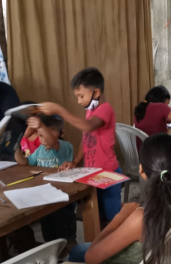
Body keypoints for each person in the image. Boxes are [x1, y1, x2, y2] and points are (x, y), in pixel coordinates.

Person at [68, 133, 171, 264]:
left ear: (141, 169)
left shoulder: (141, 218)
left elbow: (91, 258)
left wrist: (121, 216)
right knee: (76, 251)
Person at [38, 68, 123, 222]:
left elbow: (88, 126)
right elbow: (86, 141)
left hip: (108, 173)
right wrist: (75, 162)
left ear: (96, 93)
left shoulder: (105, 109)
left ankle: (121, 244)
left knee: (113, 220)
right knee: (97, 218)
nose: (79, 101)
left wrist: (60, 110)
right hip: (93, 174)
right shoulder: (90, 111)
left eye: (81, 96)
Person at [13, 115, 76, 255]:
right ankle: (58, 259)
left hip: (63, 199)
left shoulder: (64, 147)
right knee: (49, 235)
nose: (44, 139)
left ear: (62, 133)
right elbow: (25, 162)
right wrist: (16, 149)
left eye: (48, 133)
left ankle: (78, 260)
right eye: (40, 135)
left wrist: (40, 126)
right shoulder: (40, 150)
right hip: (45, 199)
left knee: (66, 235)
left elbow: (53, 142)